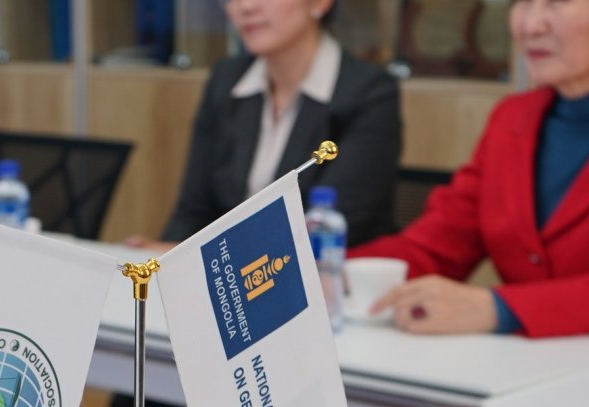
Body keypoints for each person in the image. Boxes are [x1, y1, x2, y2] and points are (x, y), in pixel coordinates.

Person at [352, 0, 589, 338]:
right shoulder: (512, 119)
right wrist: (329, 271)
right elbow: (435, 247)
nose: (530, 25)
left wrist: (499, 309)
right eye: (522, 2)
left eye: (557, 2)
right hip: (526, 367)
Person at [127, 0, 401, 250]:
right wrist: (163, 258)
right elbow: (193, 211)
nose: (246, 7)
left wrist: (204, 259)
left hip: (326, 278)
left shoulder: (370, 92)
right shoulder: (227, 79)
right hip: (226, 275)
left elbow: (323, 227)